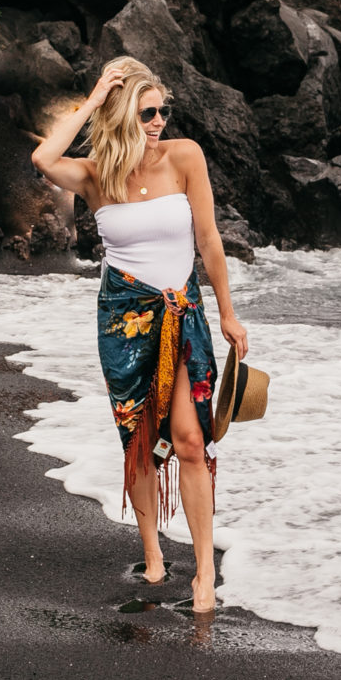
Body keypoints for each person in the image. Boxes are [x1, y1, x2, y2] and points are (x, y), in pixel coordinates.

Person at [31, 57, 249, 613]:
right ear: (123, 114)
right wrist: (96, 95)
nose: (158, 121)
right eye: (147, 111)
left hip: (182, 312)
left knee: (191, 441)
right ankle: (152, 555)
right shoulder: (95, 173)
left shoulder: (185, 157)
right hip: (125, 319)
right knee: (139, 442)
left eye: (163, 110)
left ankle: (203, 576)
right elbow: (43, 157)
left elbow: (209, 240)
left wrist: (227, 312)